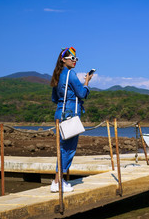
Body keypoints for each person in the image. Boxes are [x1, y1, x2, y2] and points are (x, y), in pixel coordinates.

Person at [50, 47, 93, 192]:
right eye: (72, 58)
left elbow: (54, 98)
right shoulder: (70, 74)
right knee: (68, 149)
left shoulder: (57, 75)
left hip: (59, 114)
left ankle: (58, 181)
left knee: (61, 148)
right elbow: (81, 93)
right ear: (63, 59)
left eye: (76, 59)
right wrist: (87, 82)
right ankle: (58, 182)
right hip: (70, 115)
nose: (75, 61)